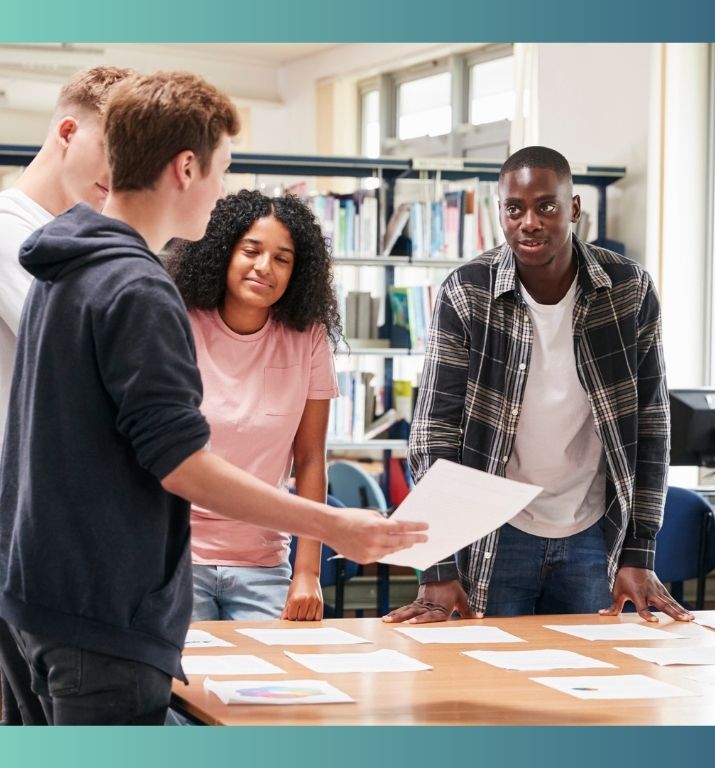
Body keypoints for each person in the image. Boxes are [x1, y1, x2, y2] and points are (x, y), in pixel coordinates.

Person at [0, 70, 426, 725]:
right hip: (105, 616)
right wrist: (338, 526)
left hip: (44, 601)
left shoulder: (66, 266)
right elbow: (183, 464)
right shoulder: (136, 291)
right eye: (222, 170)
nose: (221, 192)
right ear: (187, 167)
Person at [382, 145, 688, 625]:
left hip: (593, 531)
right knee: (485, 684)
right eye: (514, 208)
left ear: (574, 209)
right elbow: (432, 435)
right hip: (494, 533)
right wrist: (438, 564)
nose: (530, 222)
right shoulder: (467, 292)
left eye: (546, 206)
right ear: (500, 212)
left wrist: (640, 550)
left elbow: (652, 427)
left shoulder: (629, 290)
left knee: (589, 683)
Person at [0, 64, 134, 726]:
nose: (121, 176)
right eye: (113, 152)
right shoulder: (12, 232)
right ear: (67, 130)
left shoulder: (70, 241)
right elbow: (93, 361)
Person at [167, 190, 342, 622]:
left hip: (264, 563)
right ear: (224, 252)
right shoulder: (178, 321)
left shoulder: (309, 337)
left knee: (276, 685)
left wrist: (307, 572)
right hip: (176, 558)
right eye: (251, 251)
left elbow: (310, 459)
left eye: (282, 259)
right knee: (184, 689)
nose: (265, 267)